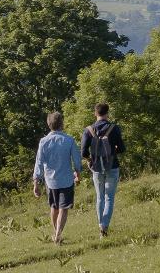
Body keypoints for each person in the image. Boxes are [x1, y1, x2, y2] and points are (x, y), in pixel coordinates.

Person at [33, 111, 82, 245]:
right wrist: (78, 172)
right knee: (63, 208)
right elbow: (76, 160)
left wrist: (36, 183)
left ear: (49, 125)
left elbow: (39, 162)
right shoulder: (69, 140)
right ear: (62, 123)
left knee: (54, 208)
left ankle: (56, 233)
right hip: (66, 179)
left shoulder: (43, 142)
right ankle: (58, 234)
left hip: (50, 181)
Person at [80, 102, 125, 238]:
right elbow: (122, 149)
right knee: (109, 198)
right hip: (112, 166)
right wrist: (113, 152)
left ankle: (101, 225)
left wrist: (90, 160)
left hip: (97, 168)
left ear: (95, 113)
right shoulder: (114, 128)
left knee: (100, 197)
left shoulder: (88, 130)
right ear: (107, 113)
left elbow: (83, 152)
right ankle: (104, 227)